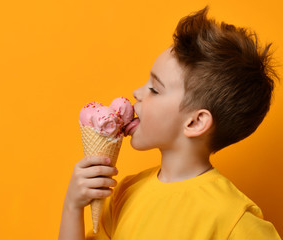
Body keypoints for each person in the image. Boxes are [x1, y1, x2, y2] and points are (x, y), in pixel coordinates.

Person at [58, 6, 281, 240]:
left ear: (195, 122)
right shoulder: (125, 192)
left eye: (155, 89)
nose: (138, 92)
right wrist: (72, 207)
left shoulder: (234, 220)